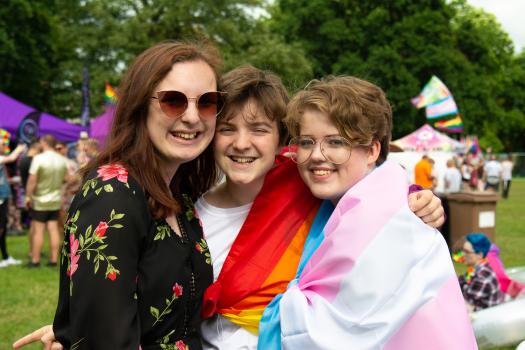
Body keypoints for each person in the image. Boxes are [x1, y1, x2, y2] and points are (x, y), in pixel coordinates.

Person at [14, 66, 445, 350]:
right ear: (208, 135)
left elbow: (367, 185)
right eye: (227, 129)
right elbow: (155, 305)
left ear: (282, 142)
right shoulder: (182, 215)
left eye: (259, 129)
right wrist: (74, 331)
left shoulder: (312, 195)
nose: (242, 144)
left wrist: (417, 198)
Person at [14, 40, 223, 349]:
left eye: (207, 102)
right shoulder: (113, 193)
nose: (193, 116)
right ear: (140, 106)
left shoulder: (182, 197)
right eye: (173, 101)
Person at [258, 76, 475, 349]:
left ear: (372, 150)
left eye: (336, 142)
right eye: (306, 142)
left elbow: (327, 335)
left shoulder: (387, 219)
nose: (316, 155)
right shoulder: (343, 203)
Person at [25, 135, 69, 267]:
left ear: (44, 142)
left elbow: (32, 180)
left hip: (40, 200)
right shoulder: (62, 159)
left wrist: (28, 196)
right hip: (55, 199)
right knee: (53, 229)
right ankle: (54, 260)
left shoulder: (38, 159)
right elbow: (67, 178)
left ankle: (35, 260)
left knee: (38, 230)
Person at [457, 233, 504, 311]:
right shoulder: (476, 269)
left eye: (467, 252)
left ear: (479, 255)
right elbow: (460, 282)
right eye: (462, 250)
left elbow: (464, 304)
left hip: (486, 319)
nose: (462, 254)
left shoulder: (482, 277)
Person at [0, 143, 26, 268]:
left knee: (3, 228)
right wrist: (19, 148)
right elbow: (11, 158)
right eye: (1, 144)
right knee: (1, 227)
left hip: (3, 197)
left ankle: (5, 256)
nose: (4, 146)